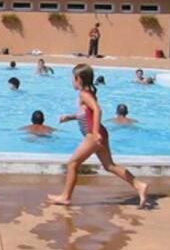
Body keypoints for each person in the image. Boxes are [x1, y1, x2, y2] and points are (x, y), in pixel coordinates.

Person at [48, 63, 149, 208]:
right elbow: (86, 114)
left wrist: (95, 133)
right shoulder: (87, 92)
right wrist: (70, 117)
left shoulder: (84, 94)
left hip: (94, 135)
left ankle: (65, 197)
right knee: (109, 166)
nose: (71, 81)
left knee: (72, 164)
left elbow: (97, 110)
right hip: (100, 133)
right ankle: (139, 185)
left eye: (72, 78)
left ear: (79, 80)